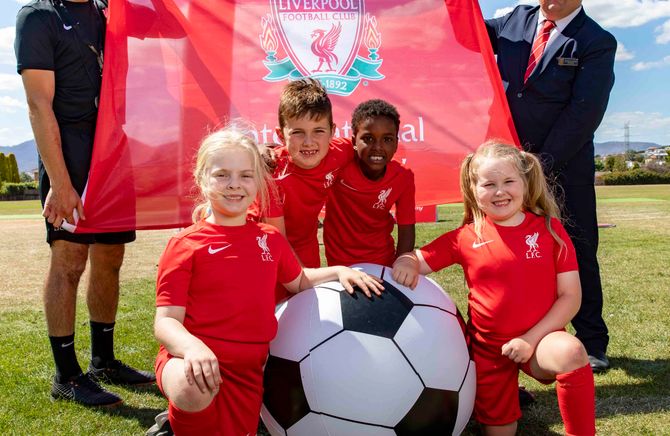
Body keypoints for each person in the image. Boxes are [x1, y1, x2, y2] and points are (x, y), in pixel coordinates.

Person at [153, 125, 383, 435]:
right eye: (222, 175)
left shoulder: (270, 239)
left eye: (246, 175)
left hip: (248, 371)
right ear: (202, 179)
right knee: (191, 384)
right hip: (194, 361)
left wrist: (339, 271)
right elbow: (166, 322)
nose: (235, 184)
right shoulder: (185, 245)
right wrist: (192, 348)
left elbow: (299, 282)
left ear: (260, 181)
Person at [393, 142, 595, 436]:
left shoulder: (550, 230)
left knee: (572, 352)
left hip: (540, 341)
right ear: (474, 190)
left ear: (525, 182)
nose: (500, 192)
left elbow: (571, 297)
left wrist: (529, 340)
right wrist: (406, 262)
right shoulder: (465, 237)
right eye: (489, 184)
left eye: (509, 181)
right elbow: (417, 259)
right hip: (489, 353)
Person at [15, 0, 154, 407]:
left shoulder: (110, 11)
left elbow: (173, 24)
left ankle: (103, 362)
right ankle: (66, 375)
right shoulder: (38, 16)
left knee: (110, 257)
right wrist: (60, 183)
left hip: (113, 148)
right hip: (69, 151)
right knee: (69, 259)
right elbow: (38, 105)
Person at [484, 0, 616, 372]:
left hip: (564, 169)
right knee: (505, 251)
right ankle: (506, 336)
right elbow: (468, 33)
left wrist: (537, 167)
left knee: (578, 250)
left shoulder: (596, 41)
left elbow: (584, 113)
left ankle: (592, 341)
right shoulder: (515, 19)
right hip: (506, 167)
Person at [268, 78, 354, 269]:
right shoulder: (272, 173)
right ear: (281, 135)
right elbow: (276, 239)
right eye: (298, 132)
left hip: (306, 246)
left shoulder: (341, 152)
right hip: (264, 248)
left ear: (332, 131)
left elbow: (371, 147)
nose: (308, 142)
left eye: (318, 131)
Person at [323, 99, 416, 267]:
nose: (377, 147)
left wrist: (400, 265)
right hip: (340, 265)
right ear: (354, 142)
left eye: (387, 139)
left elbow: (406, 229)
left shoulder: (403, 176)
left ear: (396, 143)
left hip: (383, 262)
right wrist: (274, 153)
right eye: (368, 138)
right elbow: (306, 151)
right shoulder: (338, 162)